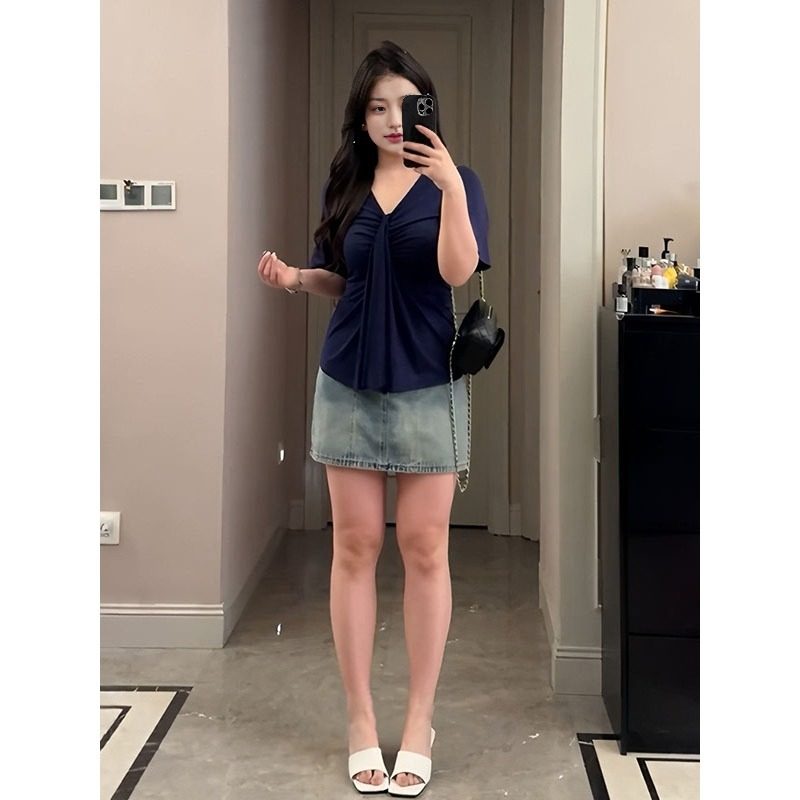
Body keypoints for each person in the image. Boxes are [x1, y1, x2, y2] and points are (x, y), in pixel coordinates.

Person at [257, 40, 491, 798]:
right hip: (347, 381)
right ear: (360, 119)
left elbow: (456, 270)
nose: (392, 119)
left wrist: (449, 188)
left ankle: (419, 721)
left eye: (405, 104)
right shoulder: (349, 184)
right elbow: (343, 275)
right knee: (355, 547)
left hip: (428, 385)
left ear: (427, 107)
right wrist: (297, 278)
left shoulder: (460, 182)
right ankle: (361, 718)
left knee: (425, 550)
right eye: (377, 107)